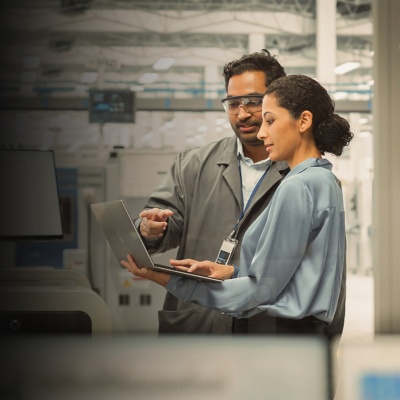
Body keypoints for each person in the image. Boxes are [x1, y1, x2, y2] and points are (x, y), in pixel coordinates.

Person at [123, 74, 353, 341]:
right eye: (233, 103)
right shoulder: (324, 179)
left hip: (282, 339)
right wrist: (233, 271)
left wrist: (168, 280)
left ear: (303, 121)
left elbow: (259, 292)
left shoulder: (296, 186)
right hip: (305, 334)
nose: (261, 131)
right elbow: (295, 271)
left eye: (269, 120)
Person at [136, 49, 289, 334]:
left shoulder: (300, 172)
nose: (242, 114)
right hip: (200, 322)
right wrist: (149, 228)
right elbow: (157, 225)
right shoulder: (192, 164)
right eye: (232, 103)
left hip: (269, 328)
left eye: (253, 102)